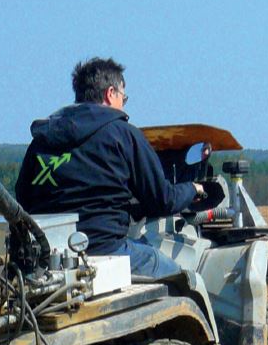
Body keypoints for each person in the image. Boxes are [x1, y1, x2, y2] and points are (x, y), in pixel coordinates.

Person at [15, 57, 205, 279]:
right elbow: (163, 200)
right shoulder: (122, 134)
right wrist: (193, 189)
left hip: (48, 260)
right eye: (123, 97)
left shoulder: (43, 140)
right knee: (183, 277)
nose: (123, 103)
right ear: (110, 93)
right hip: (105, 251)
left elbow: (22, 198)